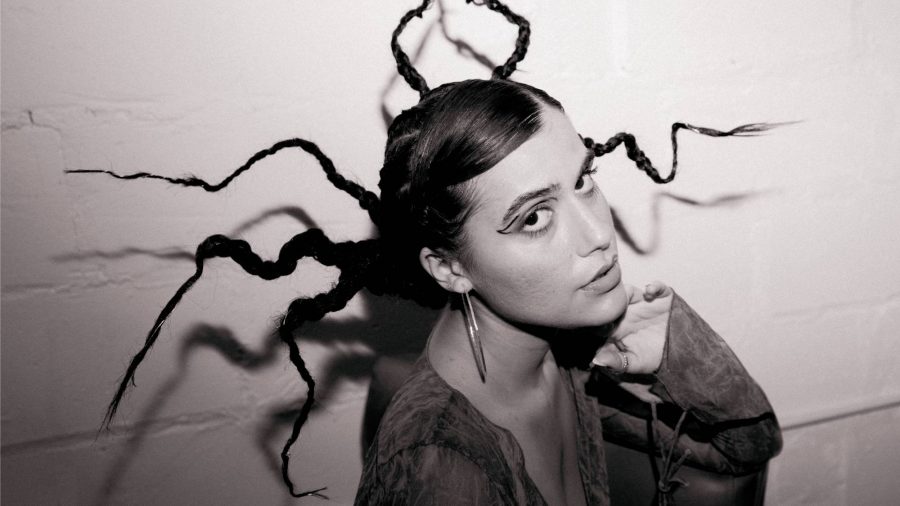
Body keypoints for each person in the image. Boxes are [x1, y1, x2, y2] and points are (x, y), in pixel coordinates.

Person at [71, 0, 780, 503]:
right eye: (534, 218)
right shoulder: (442, 468)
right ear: (448, 266)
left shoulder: (559, 359)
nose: (598, 233)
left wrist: (673, 346)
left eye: (584, 181)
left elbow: (743, 452)